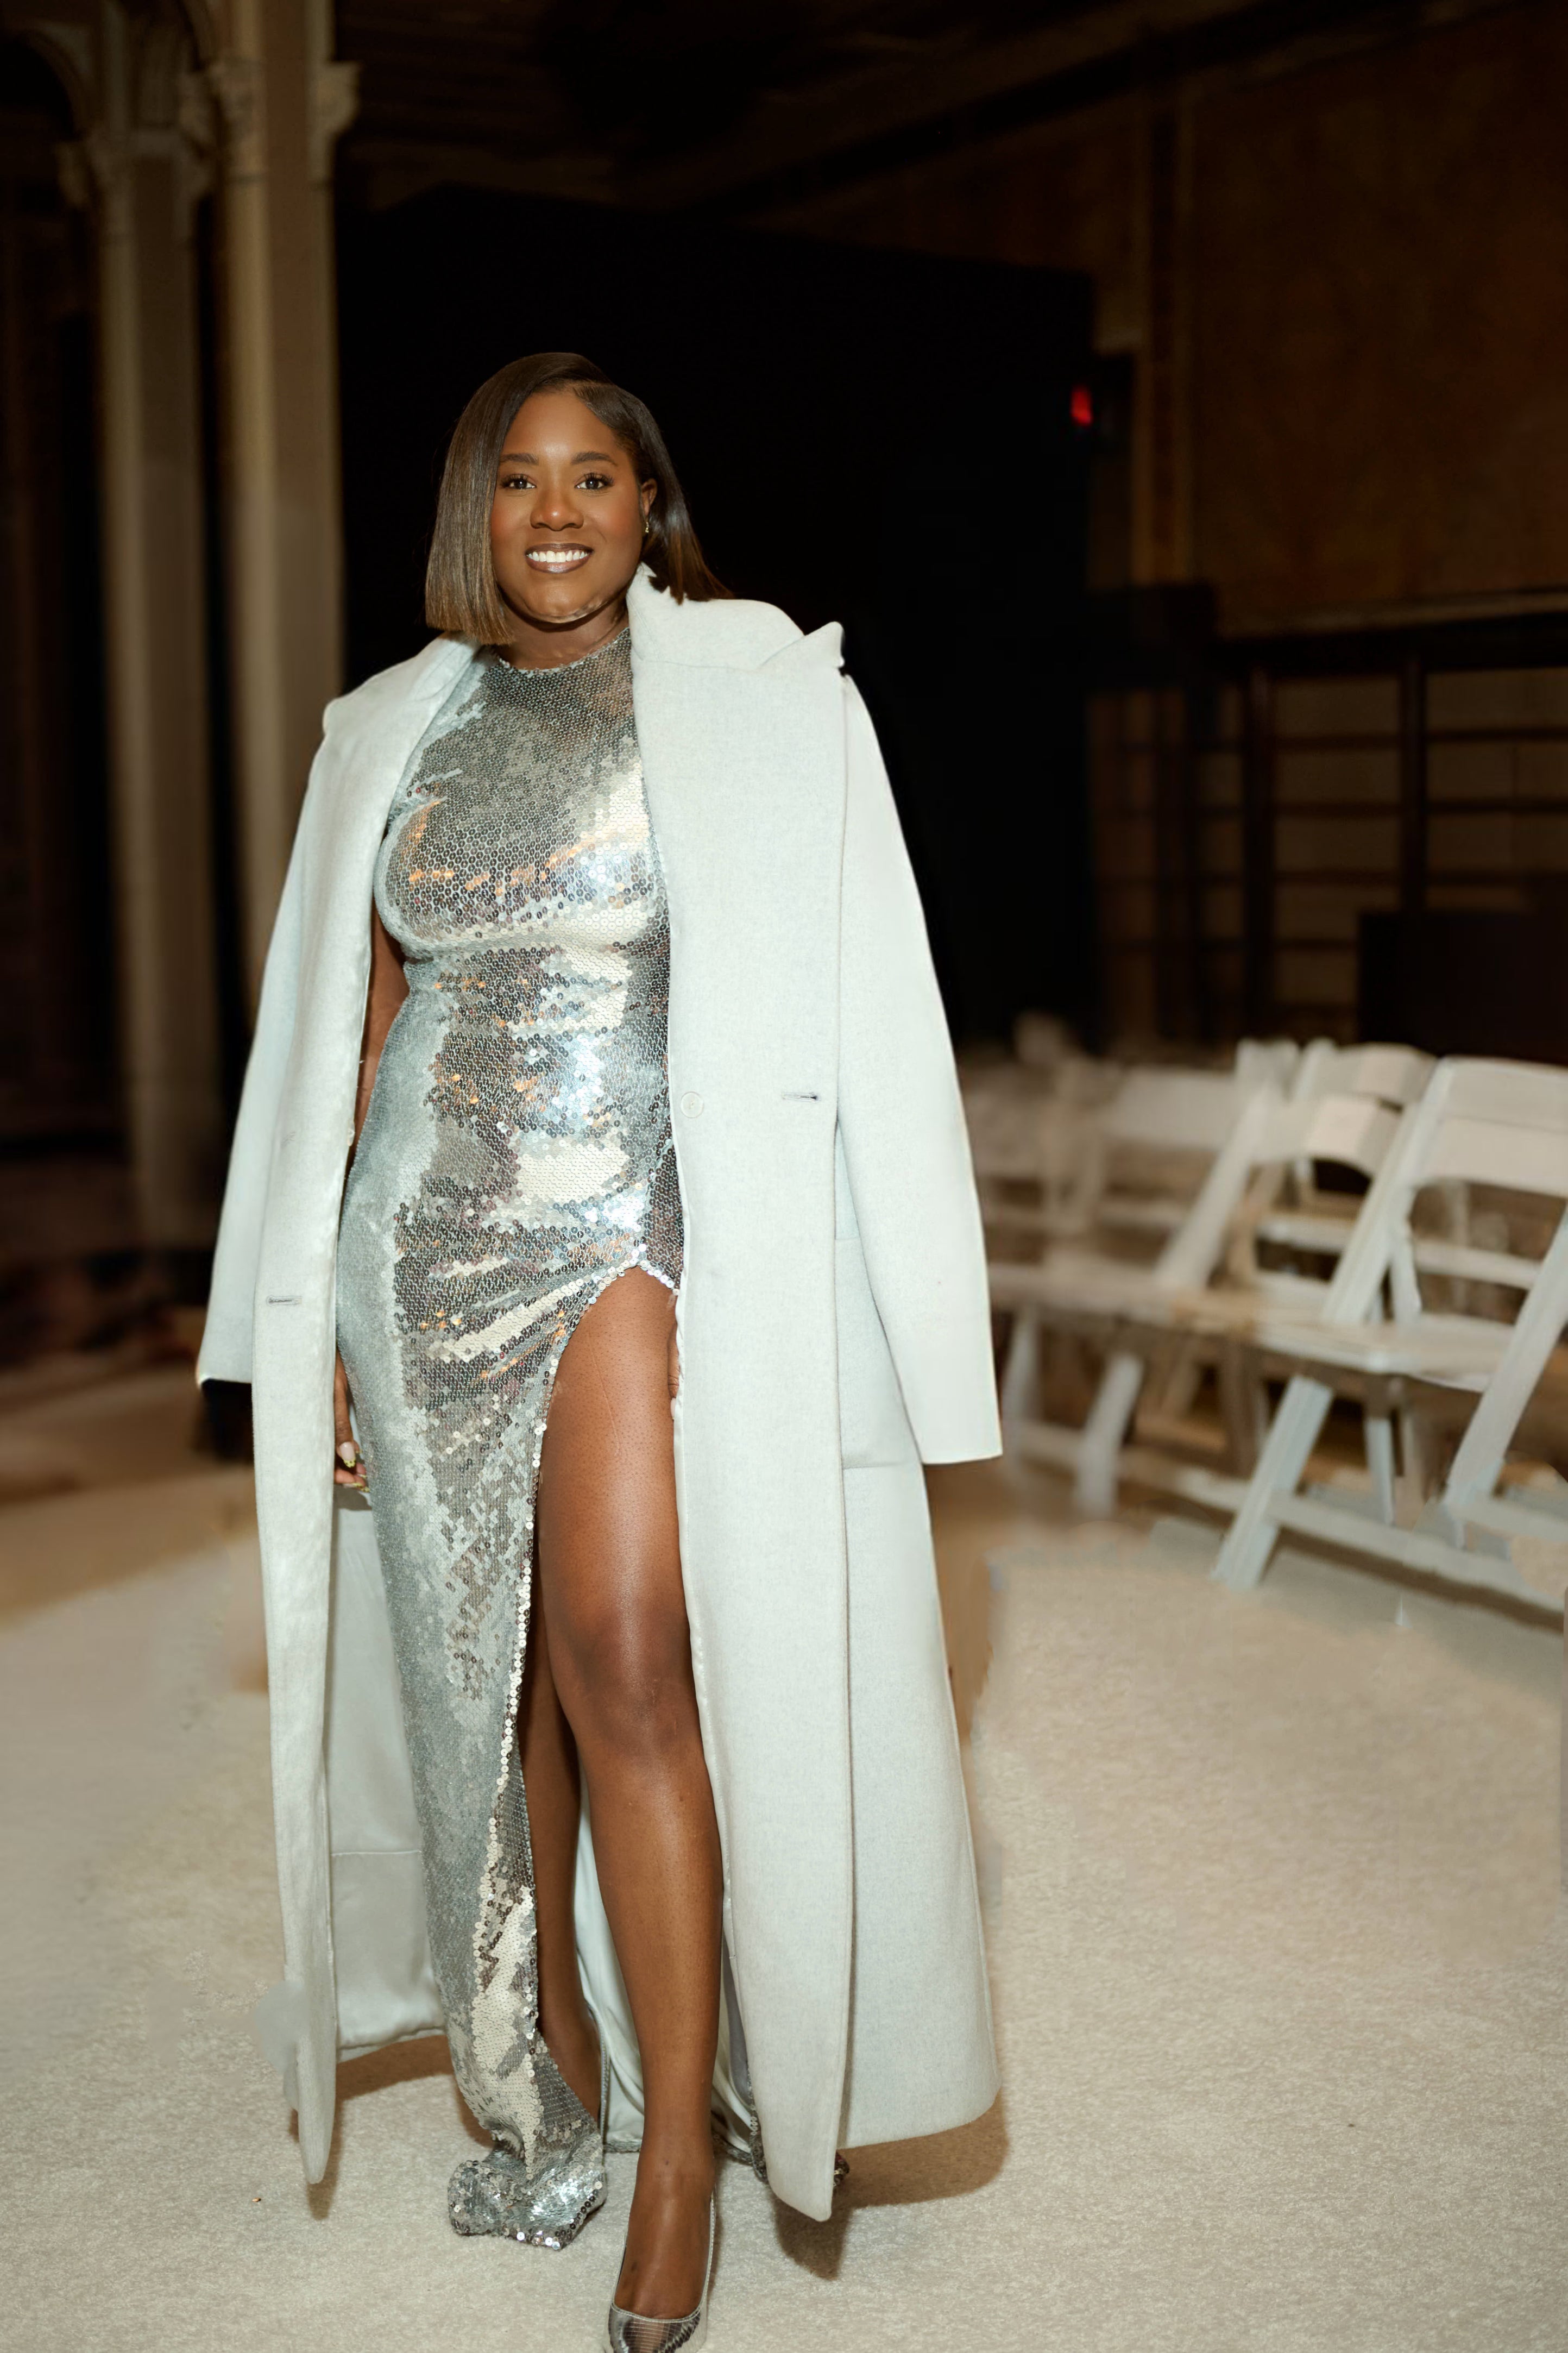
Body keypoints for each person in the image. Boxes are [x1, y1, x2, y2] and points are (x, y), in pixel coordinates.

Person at [199, 350, 1001, 2352]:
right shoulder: (389, 728)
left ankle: (679, 2167)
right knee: (488, 1695)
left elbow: (855, 1002)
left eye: (595, 477)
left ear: (651, 508)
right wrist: (316, 1328)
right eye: (518, 478)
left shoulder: (748, 699)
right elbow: (361, 1029)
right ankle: (550, 2047)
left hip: (628, 1226)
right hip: (416, 1248)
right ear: (472, 509)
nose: (555, 512)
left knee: (626, 1646)